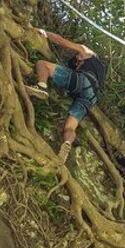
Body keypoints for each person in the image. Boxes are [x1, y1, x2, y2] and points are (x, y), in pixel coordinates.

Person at [26, 27, 108, 163]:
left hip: (83, 82)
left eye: (77, 58)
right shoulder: (100, 70)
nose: (76, 59)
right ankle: (67, 143)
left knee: (42, 65)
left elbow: (62, 41)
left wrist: (45, 33)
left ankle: (41, 86)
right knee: (69, 128)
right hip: (91, 98)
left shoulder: (87, 52)